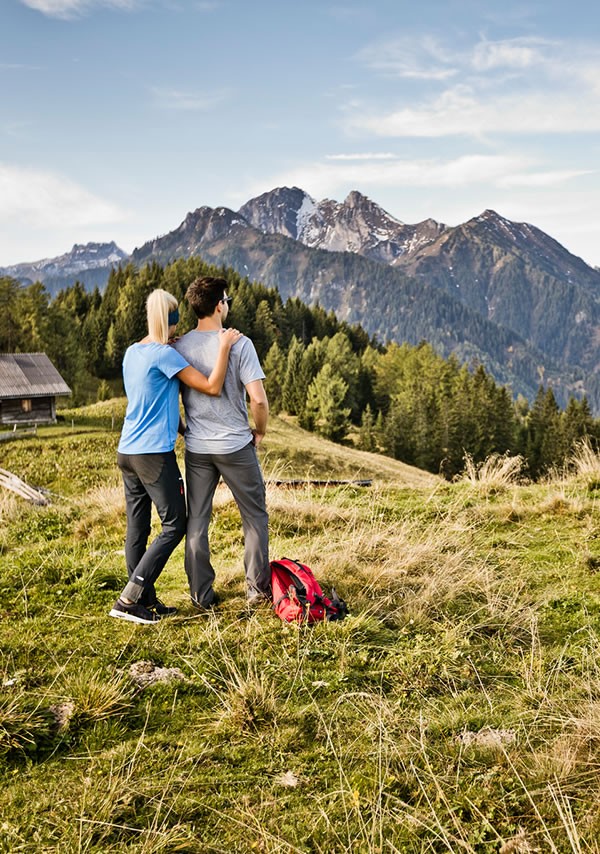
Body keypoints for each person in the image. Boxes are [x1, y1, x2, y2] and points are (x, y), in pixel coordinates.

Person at [109, 288, 241, 625]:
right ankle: (130, 598)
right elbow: (211, 386)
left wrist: (178, 425)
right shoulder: (165, 356)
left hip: (127, 451)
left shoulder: (133, 353)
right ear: (172, 319)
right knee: (175, 524)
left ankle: (144, 601)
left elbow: (150, 397)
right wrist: (223, 347)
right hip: (153, 454)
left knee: (136, 529)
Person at [174, 275, 271, 610]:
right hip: (234, 445)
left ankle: (200, 595)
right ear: (219, 305)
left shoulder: (179, 347)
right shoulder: (240, 344)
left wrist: (185, 428)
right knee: (254, 517)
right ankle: (256, 593)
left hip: (198, 448)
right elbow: (257, 400)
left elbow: (172, 397)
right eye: (226, 300)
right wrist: (259, 431)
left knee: (197, 521)